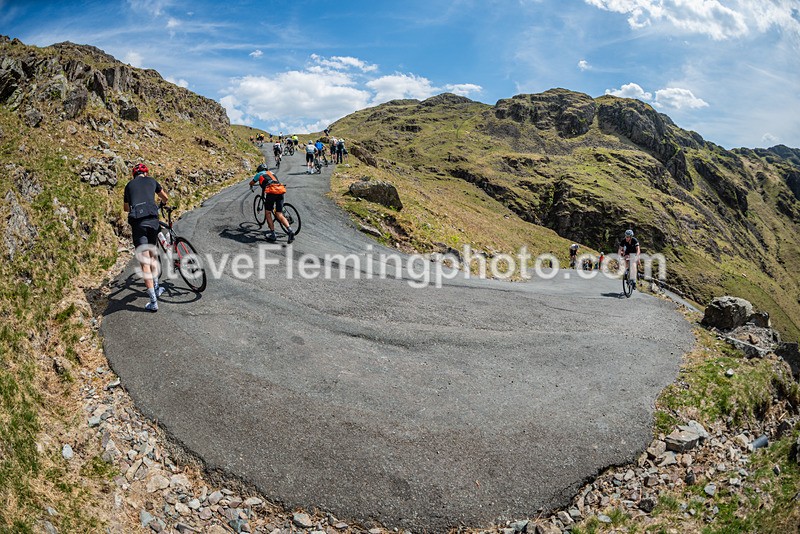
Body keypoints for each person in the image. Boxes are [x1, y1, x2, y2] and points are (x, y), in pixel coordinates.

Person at [123, 163, 169, 312]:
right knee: (153, 255)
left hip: (138, 223)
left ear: (133, 175)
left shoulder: (128, 186)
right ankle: (156, 288)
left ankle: (153, 301)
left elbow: (125, 208)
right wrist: (161, 203)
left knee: (145, 263)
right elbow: (165, 197)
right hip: (153, 220)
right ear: (146, 173)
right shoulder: (152, 181)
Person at [249, 163, 294, 243]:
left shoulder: (259, 174)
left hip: (271, 192)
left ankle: (273, 235)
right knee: (279, 214)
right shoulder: (272, 173)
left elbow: (251, 183)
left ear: (259, 170)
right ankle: (290, 230)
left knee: (268, 213)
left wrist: (251, 186)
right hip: (280, 190)